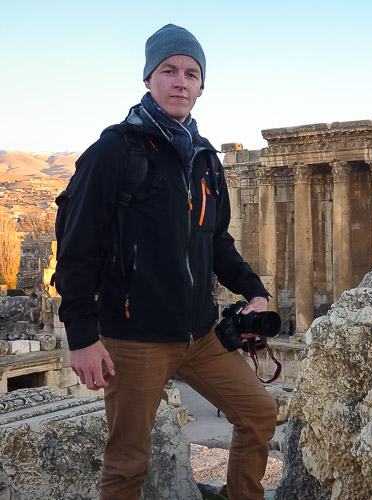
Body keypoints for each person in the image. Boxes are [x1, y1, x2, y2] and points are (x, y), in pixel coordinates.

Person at [55, 24, 277, 500]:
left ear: (201, 86)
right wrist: (82, 336)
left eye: (191, 73)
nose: (181, 81)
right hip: (134, 338)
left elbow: (216, 241)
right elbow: (76, 248)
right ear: (149, 79)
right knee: (127, 463)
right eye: (169, 70)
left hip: (201, 335)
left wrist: (253, 290)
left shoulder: (204, 158)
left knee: (258, 413)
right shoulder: (113, 152)